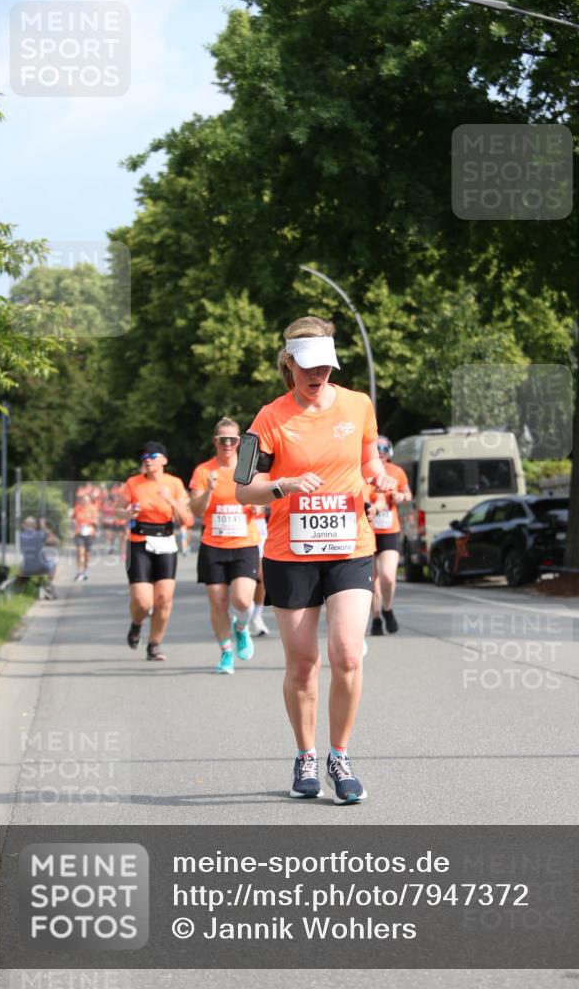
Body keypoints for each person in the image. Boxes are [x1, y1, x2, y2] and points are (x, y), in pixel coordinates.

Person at [235, 316, 396, 804]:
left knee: (348, 653)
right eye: (307, 366)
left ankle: (339, 756)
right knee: (304, 663)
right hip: (291, 552)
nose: (317, 374)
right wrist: (282, 485)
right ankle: (305, 756)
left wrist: (381, 476)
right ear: (288, 363)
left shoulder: (358, 404)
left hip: (350, 545)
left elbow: (369, 460)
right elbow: (244, 490)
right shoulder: (267, 419)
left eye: (326, 366)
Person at [190, 418, 261, 674]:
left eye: (233, 439)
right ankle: (226, 653)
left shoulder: (249, 469)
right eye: (223, 440)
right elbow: (196, 510)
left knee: (242, 599)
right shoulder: (203, 471)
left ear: (239, 442)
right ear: (215, 442)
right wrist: (208, 490)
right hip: (213, 545)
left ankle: (241, 628)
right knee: (218, 602)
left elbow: (266, 500)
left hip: (245, 543)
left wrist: (259, 504)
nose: (228, 444)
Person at [116, 441, 190, 661]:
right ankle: (137, 623)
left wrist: (170, 500)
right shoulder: (132, 483)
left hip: (166, 541)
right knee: (143, 602)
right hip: (138, 542)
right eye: (144, 457)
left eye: (153, 455)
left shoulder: (174, 484)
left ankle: (154, 644)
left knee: (164, 599)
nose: (147, 459)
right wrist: (127, 513)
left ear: (164, 460)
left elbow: (185, 519)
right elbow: (118, 512)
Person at [368, 435, 412, 635]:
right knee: (371, 580)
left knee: (388, 576)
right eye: (377, 451)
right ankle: (376, 618)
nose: (381, 455)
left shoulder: (397, 472)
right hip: (367, 531)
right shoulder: (363, 472)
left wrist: (400, 496)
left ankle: (387, 608)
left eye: (384, 451)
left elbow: (408, 494)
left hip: (389, 530)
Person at [17, 516, 58, 598]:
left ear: (23, 525)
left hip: (26, 570)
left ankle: (18, 589)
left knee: (20, 566)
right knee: (53, 563)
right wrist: (43, 526)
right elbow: (54, 541)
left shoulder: (20, 536)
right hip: (43, 567)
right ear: (35, 526)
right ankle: (49, 585)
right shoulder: (40, 534)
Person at [250, 507, 270, 636]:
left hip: (258, 523)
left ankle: (257, 616)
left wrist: (263, 505)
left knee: (261, 574)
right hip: (236, 521)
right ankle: (242, 614)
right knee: (241, 575)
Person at [72, 494, 98, 581]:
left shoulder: (93, 509)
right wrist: (76, 525)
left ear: (90, 501)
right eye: (83, 500)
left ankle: (85, 571)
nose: (85, 502)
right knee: (80, 553)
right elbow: (73, 518)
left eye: (87, 500)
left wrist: (89, 523)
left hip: (89, 533)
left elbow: (96, 521)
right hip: (79, 533)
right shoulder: (77, 508)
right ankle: (79, 572)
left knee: (87, 554)